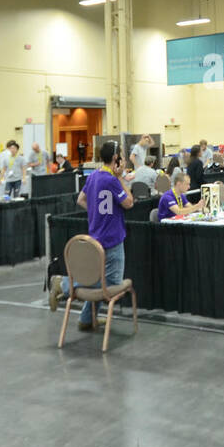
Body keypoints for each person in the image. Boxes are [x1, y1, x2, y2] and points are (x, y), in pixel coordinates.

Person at [53, 141, 134, 332]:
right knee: (112, 282)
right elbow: (129, 202)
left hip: (96, 235)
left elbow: (81, 199)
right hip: (112, 237)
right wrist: (121, 177)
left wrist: (96, 212)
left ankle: (86, 318)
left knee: (100, 276)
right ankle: (64, 283)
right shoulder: (112, 180)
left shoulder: (94, 176)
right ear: (116, 158)